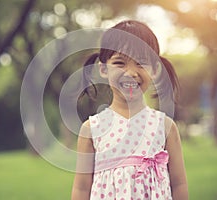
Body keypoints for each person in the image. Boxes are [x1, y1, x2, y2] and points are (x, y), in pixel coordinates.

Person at [71, 20, 188, 200]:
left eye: (141, 63)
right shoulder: (92, 129)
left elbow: (179, 184)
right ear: (103, 69)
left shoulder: (165, 126)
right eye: (120, 62)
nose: (131, 72)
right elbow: (81, 188)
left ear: (156, 69)